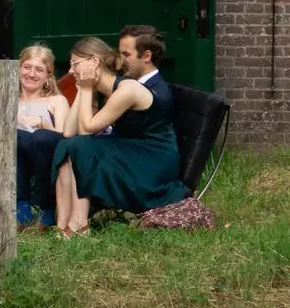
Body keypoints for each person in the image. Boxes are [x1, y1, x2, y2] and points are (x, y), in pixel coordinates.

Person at [50, 26, 187, 236]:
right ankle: (63, 226)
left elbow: (86, 129)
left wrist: (86, 88)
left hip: (152, 160)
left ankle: (79, 224)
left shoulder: (128, 89)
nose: (70, 71)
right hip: (131, 150)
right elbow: (69, 132)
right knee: (67, 145)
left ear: (94, 62)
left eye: (75, 64)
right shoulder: (104, 88)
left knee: (82, 145)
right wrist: (82, 89)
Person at [10, 43, 71, 229]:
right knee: (16, 137)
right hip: (19, 151)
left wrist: (41, 122)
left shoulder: (56, 100)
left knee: (40, 137)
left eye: (39, 69)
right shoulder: (9, 99)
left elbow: (64, 134)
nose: (31, 74)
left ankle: (47, 206)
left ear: (48, 76)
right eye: (27, 67)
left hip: (48, 153)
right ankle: (22, 207)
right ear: (18, 69)